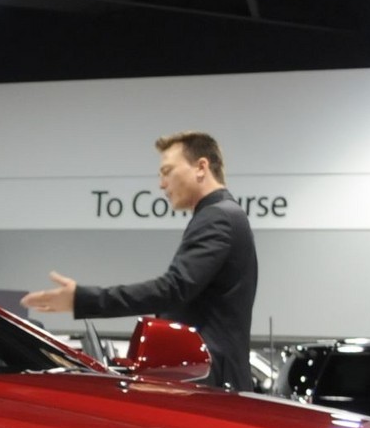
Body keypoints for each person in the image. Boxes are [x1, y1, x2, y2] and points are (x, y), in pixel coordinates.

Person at [23, 131, 259, 390]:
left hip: (213, 383)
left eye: (167, 171)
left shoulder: (217, 217)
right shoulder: (223, 214)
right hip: (214, 379)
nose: (161, 184)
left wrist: (83, 299)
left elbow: (173, 289)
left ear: (201, 167)